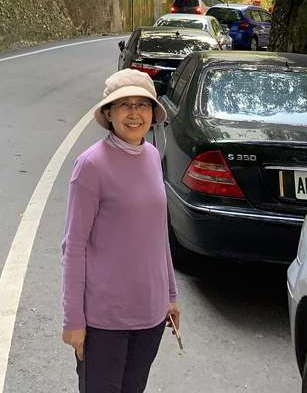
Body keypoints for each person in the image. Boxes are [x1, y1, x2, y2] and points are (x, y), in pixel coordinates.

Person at [61, 69, 180, 393]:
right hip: (104, 320)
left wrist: (170, 296)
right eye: (124, 104)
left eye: (142, 104)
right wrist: (73, 320)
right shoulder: (91, 165)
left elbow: (158, 235)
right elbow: (74, 246)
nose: (134, 113)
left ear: (152, 113)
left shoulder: (152, 156)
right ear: (109, 113)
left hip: (150, 316)